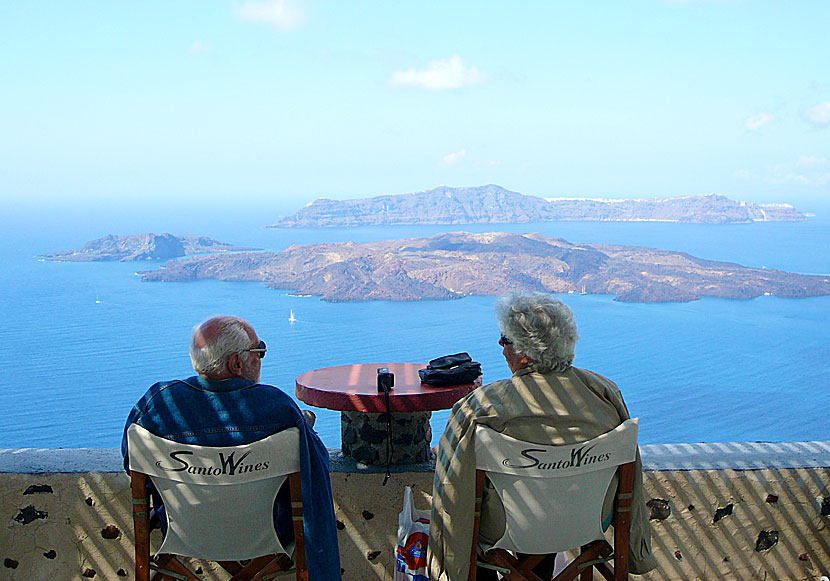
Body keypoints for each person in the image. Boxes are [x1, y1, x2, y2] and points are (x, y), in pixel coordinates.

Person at [428, 294, 657, 581]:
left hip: (509, 531)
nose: (501, 349)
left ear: (525, 352)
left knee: (484, 519)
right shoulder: (604, 393)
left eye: (505, 340)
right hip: (588, 523)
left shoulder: (483, 405)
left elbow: (451, 484)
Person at [121, 315, 340, 580]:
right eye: (259, 351)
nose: (261, 358)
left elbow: (131, 466)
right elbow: (314, 472)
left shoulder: (158, 404)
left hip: (182, 536)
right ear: (237, 363)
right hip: (268, 538)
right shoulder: (278, 408)